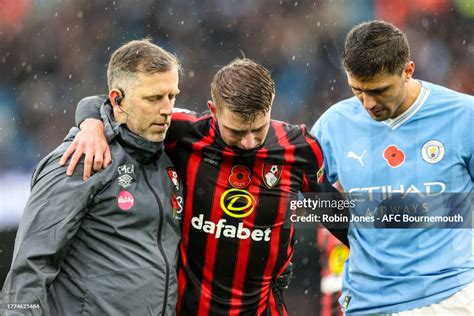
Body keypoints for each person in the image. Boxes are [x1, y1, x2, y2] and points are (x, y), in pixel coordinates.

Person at [62, 57, 349, 315]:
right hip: (188, 308)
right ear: (213, 110)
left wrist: (385, 238)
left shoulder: (298, 147)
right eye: (237, 131)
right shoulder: (183, 132)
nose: (249, 143)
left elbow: (334, 211)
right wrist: (91, 124)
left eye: (258, 130)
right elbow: (106, 103)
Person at [1, 39, 183, 315]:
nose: (168, 109)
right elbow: (30, 266)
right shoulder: (79, 159)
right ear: (117, 99)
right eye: (154, 98)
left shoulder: (171, 152)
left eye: (172, 96)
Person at [311, 20, 473, 314]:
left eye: (379, 90)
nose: (367, 103)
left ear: (408, 70)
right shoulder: (335, 124)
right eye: (357, 90)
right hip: (366, 303)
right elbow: (304, 188)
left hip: (449, 299)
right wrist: (347, 228)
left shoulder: (463, 117)